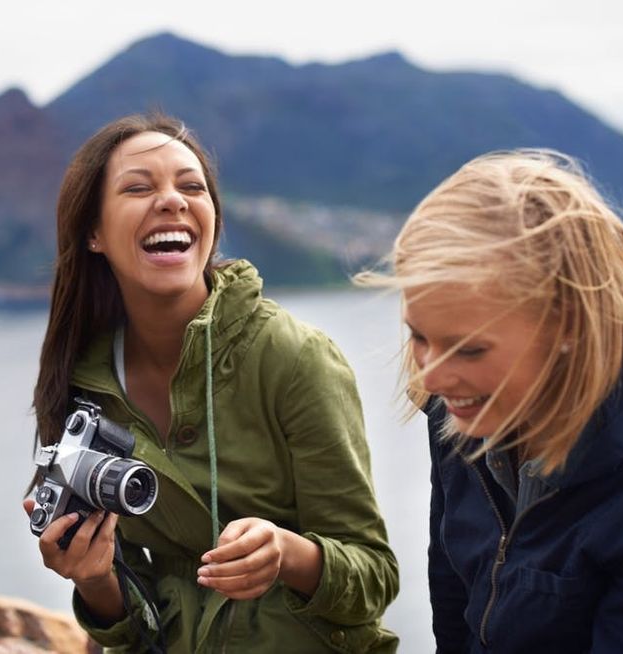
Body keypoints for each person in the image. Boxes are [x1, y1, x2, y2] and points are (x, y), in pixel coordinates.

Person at [24, 113, 399, 653]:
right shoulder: (87, 384)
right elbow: (132, 624)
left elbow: (374, 578)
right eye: (138, 187)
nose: (173, 200)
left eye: (191, 186)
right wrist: (92, 577)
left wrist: (286, 554)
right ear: (93, 233)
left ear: (212, 221)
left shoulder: (293, 358)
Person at [358, 150, 623, 652]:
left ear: (568, 329)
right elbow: (454, 596)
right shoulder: (464, 414)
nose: (432, 377)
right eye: (420, 337)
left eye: (470, 348)